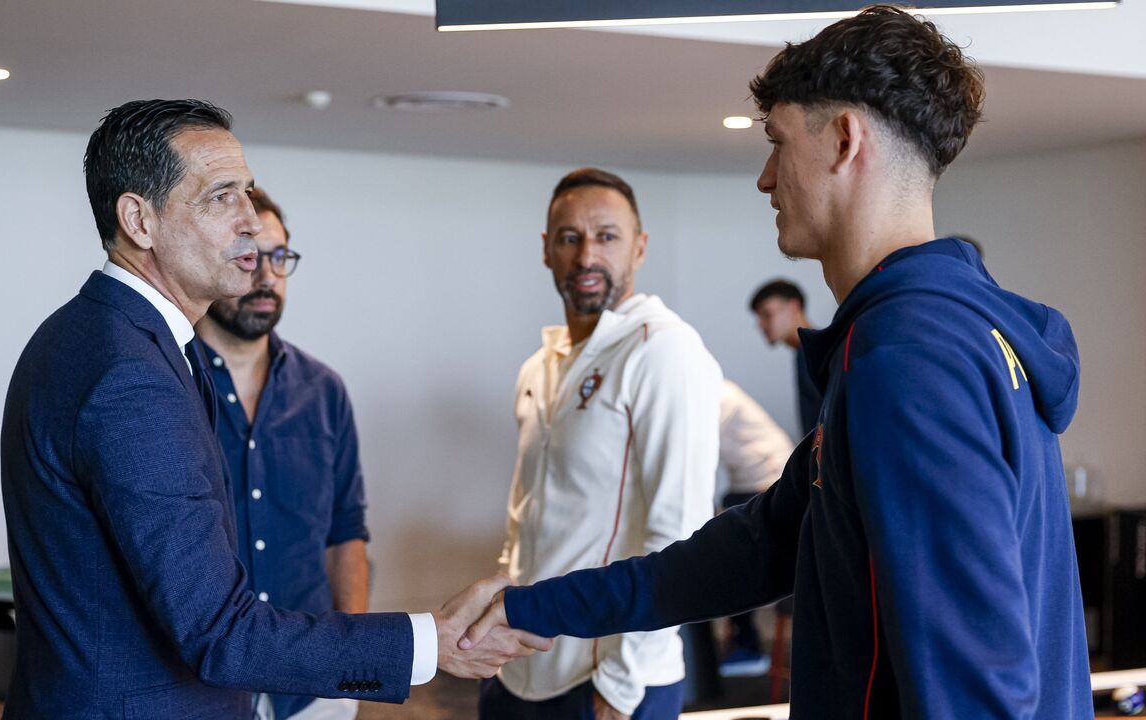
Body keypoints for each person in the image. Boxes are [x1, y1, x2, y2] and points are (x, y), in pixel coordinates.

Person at [462, 7, 1092, 718]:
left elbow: (977, 685)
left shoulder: (910, 359)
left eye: (778, 142)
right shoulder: (943, 332)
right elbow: (751, 549)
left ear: (846, 140)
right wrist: (532, 606)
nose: (765, 179)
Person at [0, 98, 547, 719]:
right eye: (220, 197)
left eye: (248, 194)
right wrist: (429, 643)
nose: (253, 224)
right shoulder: (131, 373)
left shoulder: (99, 335)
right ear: (139, 221)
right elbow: (219, 632)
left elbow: (342, 534)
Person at [483, 168, 722, 720]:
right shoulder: (540, 366)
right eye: (570, 237)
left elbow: (680, 535)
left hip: (608, 682)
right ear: (547, 250)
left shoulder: (665, 352)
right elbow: (526, 518)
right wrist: (499, 619)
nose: (587, 254)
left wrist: (621, 683)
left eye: (607, 236)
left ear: (638, 248)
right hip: (520, 665)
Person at [193, 187, 368, 720]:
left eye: (278, 257)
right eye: (248, 257)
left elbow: (347, 533)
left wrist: (352, 663)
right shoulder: (169, 383)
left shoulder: (324, 391)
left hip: (312, 682)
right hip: (199, 684)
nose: (266, 275)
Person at [711, 380, 795, 678]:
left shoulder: (717, 395)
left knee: (729, 549)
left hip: (770, 480)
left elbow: (700, 452)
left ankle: (748, 645)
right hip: (747, 484)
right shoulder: (717, 391)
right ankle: (743, 641)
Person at [749, 279, 822, 438]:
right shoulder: (804, 351)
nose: (760, 325)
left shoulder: (818, 352)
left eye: (766, 314)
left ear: (794, 306)